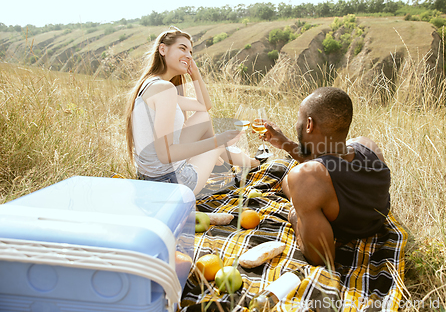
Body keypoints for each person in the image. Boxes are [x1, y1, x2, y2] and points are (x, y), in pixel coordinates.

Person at [261, 87, 390, 268]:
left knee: (290, 182)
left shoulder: (305, 177)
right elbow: (330, 158)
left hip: (339, 231)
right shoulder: (368, 145)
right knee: (291, 181)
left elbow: (321, 258)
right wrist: (285, 143)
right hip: (374, 224)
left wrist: (294, 214)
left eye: (299, 118)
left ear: (309, 124)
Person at [125, 27, 260, 195]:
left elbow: (203, 106)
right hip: (170, 184)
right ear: (162, 49)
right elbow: (165, 155)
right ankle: (245, 163)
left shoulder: (153, 85)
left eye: (190, 51)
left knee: (203, 117)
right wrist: (218, 141)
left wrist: (195, 73)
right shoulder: (164, 89)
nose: (189, 55)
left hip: (150, 178)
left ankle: (244, 162)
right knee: (217, 144)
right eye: (182, 48)